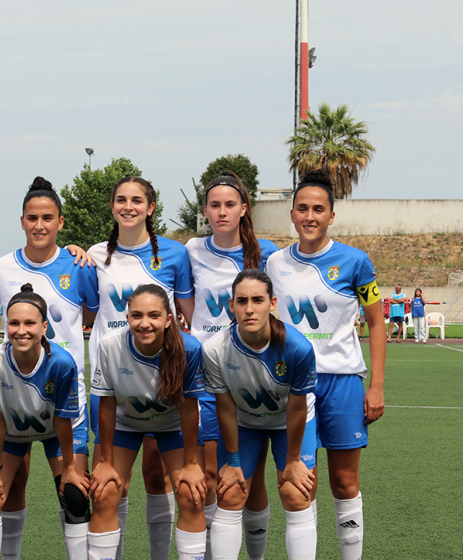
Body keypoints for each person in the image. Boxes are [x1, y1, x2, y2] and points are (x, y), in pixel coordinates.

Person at [265, 169, 386, 560]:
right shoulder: (274, 263)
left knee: (345, 481)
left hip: (343, 383)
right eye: (303, 208)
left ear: (332, 215)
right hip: (293, 387)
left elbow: (377, 321)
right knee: (299, 484)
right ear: (292, 213)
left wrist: (376, 385)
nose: (310, 216)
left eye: (319, 209)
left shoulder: (356, 262)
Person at [0, 177, 99, 558]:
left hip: (64, 398)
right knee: (0, 490)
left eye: (48, 218)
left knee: (76, 494)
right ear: (21, 221)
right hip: (13, 400)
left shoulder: (80, 265)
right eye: (32, 218)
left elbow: (95, 315)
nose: (40, 225)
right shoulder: (0, 269)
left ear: (61, 222)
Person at [87, 175, 195, 560]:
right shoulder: (94, 255)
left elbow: (188, 317)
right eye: (120, 199)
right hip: (115, 381)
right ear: (112, 206)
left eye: (137, 200)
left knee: (158, 476)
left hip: (162, 380)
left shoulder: (176, 254)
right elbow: (85, 309)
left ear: (150, 208)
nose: (128, 206)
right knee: (111, 483)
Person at [184, 170, 280, 558]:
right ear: (205, 210)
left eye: (229, 205)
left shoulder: (268, 253)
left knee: (252, 481)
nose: (221, 212)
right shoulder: (190, 249)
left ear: (244, 209)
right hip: (207, 377)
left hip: (254, 378)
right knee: (211, 475)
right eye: (214, 205)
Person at [202, 269, 318, 560]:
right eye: (242, 301)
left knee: (295, 492)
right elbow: (225, 407)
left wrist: (292, 462)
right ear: (231, 305)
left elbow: (296, 407)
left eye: (258, 300)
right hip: (244, 421)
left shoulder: (298, 348)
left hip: (288, 423)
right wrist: (233, 461)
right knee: (230, 493)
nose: (249, 308)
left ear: (272, 303)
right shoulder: (215, 349)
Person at [89, 284, 208, 560]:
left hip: (172, 427)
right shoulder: (109, 346)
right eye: (136, 315)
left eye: (154, 315)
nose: (145, 323)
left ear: (169, 319)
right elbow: (106, 404)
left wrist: (191, 464)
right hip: (124, 425)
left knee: (192, 495)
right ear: (127, 317)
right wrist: (105, 461)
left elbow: (190, 410)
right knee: (104, 492)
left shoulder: (188, 350)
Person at [0, 285, 90, 560]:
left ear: (44, 326)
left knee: (74, 495)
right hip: (13, 430)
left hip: (58, 429)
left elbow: (62, 420)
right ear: (4, 325)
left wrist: (71, 468)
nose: (21, 330)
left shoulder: (62, 362)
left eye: (30, 323)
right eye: (14, 323)